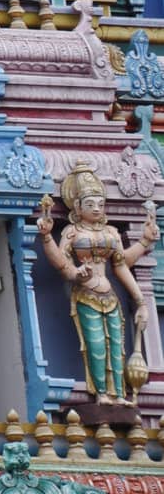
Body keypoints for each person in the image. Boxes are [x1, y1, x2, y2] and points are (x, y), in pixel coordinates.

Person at [37, 162, 158, 404]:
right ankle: (101, 393)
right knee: (95, 345)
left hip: (110, 297)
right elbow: (62, 264)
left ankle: (119, 395)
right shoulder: (72, 232)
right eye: (90, 204)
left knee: (116, 346)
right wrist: (48, 238)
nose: (96, 208)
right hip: (86, 295)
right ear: (77, 206)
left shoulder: (112, 233)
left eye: (100, 204)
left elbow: (122, 264)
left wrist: (144, 243)